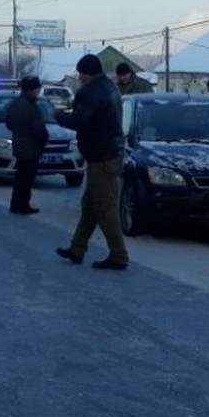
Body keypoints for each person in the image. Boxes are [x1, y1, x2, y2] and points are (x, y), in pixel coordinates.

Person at [55, 53, 128, 269]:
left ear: (86, 73)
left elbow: (80, 121)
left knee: (105, 208)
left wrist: (59, 116)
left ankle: (119, 255)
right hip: (109, 154)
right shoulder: (110, 87)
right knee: (90, 207)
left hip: (101, 157)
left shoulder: (91, 92)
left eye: (81, 74)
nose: (80, 78)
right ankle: (77, 248)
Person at [4, 76, 49, 215]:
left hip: (19, 145)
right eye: (37, 89)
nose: (38, 92)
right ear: (32, 89)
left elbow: (8, 124)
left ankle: (16, 203)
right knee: (27, 178)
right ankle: (22, 204)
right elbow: (39, 129)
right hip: (31, 147)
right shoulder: (31, 106)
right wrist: (44, 140)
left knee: (20, 177)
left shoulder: (14, 104)